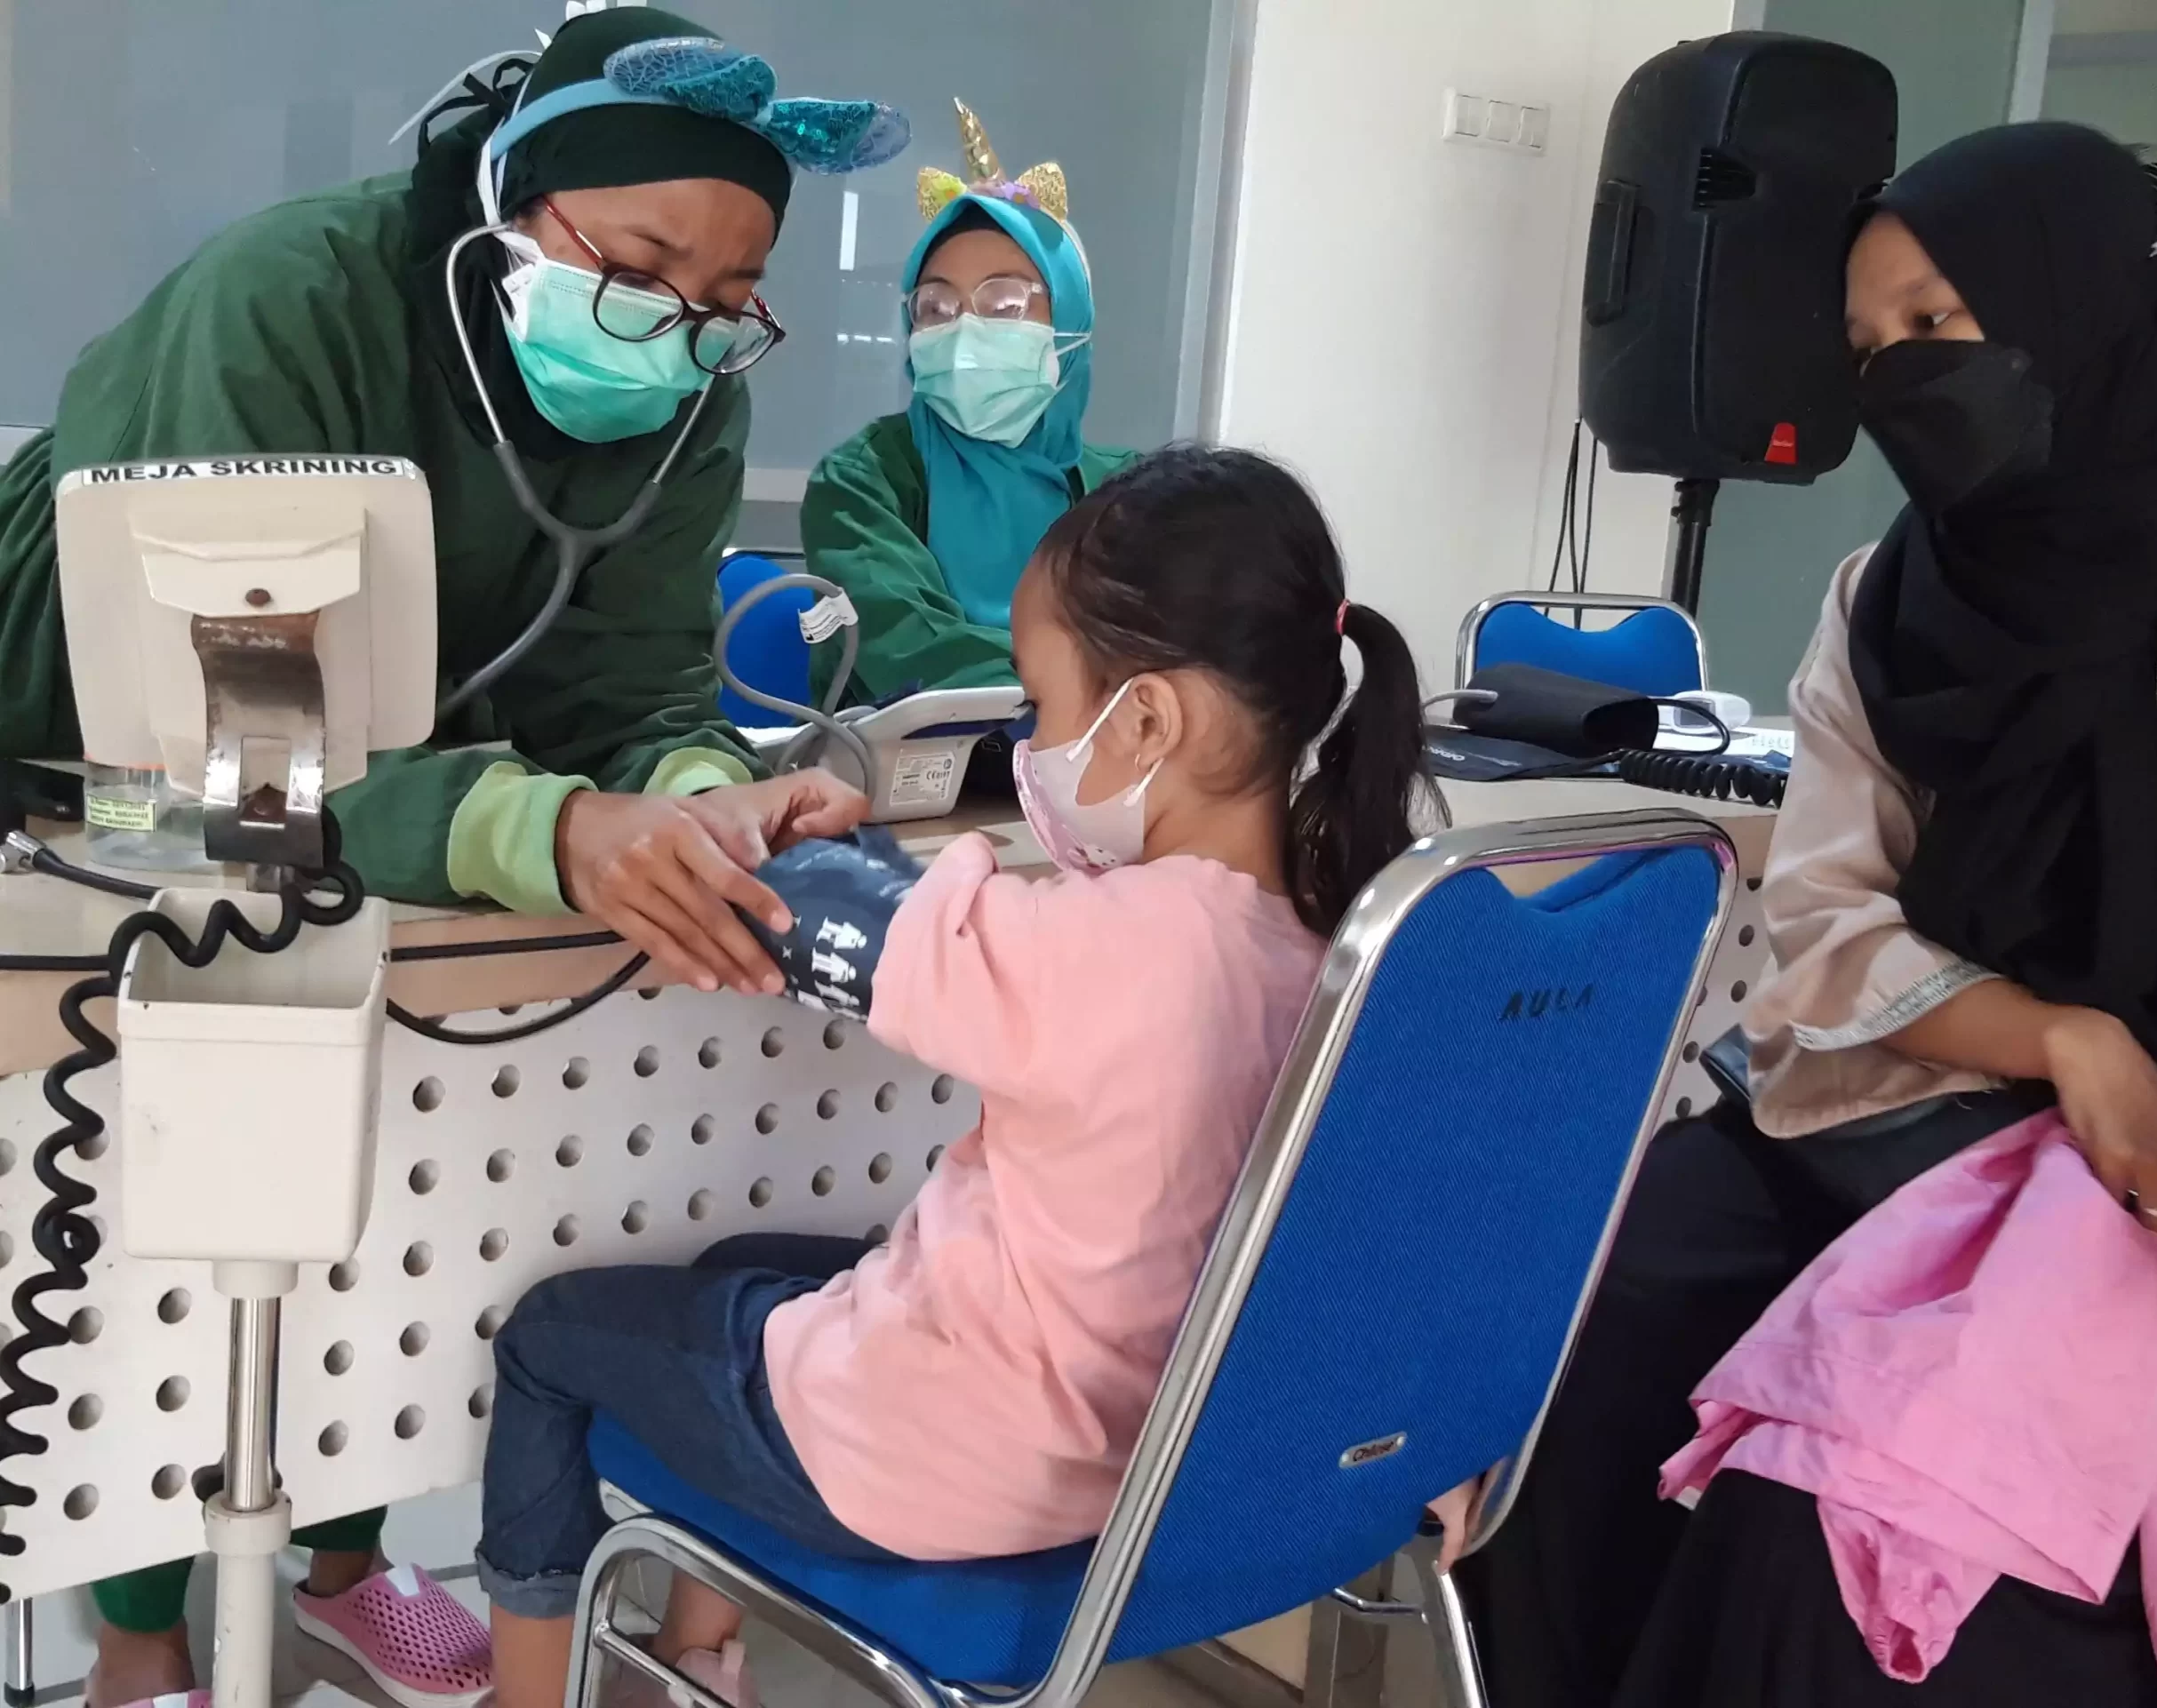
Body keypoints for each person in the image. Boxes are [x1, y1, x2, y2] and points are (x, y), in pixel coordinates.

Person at [0, 12, 891, 1707]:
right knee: (168, 1176)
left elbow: (636, 686)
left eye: (730, 293)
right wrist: (534, 826)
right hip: (100, 771)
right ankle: (138, 1637)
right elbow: (235, 737)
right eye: (642, 265)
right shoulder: (288, 300)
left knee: (395, 1150)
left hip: (397, 780)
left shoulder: (685, 382)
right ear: (512, 200)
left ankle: (343, 1567)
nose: (684, 325)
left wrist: (703, 793)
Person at [1455, 122, 2157, 1706]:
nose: (1901, 376)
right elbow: (1829, 917)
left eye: (1935, 324)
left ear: (2079, 308)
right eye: (1868, 345)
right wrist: (2067, 1037)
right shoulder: (1888, 598)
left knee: (1834, 1529)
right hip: (1940, 1094)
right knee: (1584, 1321)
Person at [468, 444, 1441, 1708]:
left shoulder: (1106, 949)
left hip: (957, 1462)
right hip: (1138, 1449)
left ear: (1149, 720)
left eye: (1039, 706)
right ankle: (699, 1662)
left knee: (551, 1339)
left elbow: (833, 920)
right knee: (739, 1267)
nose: (1032, 743)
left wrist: (770, 820)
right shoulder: (1329, 937)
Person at [800, 101, 1137, 708]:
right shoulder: (863, 479)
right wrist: (1086, 699)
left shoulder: (1130, 496)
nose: (963, 330)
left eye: (1004, 304)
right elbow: (912, 648)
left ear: (1072, 324)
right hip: (905, 764)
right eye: (935, 307)